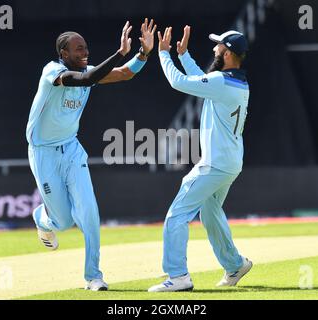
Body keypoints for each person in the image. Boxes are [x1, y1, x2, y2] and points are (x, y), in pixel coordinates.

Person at [26, 19, 156, 291]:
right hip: (44, 153)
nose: (84, 52)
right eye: (78, 49)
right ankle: (42, 218)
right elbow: (85, 78)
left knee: (90, 212)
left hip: (72, 150)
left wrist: (142, 54)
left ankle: (93, 276)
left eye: (85, 48)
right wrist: (120, 52)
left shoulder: (88, 72)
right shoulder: (54, 72)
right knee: (63, 222)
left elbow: (123, 74)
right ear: (63, 54)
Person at [148, 26, 252, 292]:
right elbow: (203, 83)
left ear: (227, 53)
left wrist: (164, 54)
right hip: (230, 163)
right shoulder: (234, 82)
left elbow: (179, 83)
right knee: (210, 213)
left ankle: (178, 276)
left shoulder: (221, 81)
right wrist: (183, 56)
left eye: (218, 46)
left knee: (176, 215)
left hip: (215, 163)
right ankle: (234, 264)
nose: (215, 49)